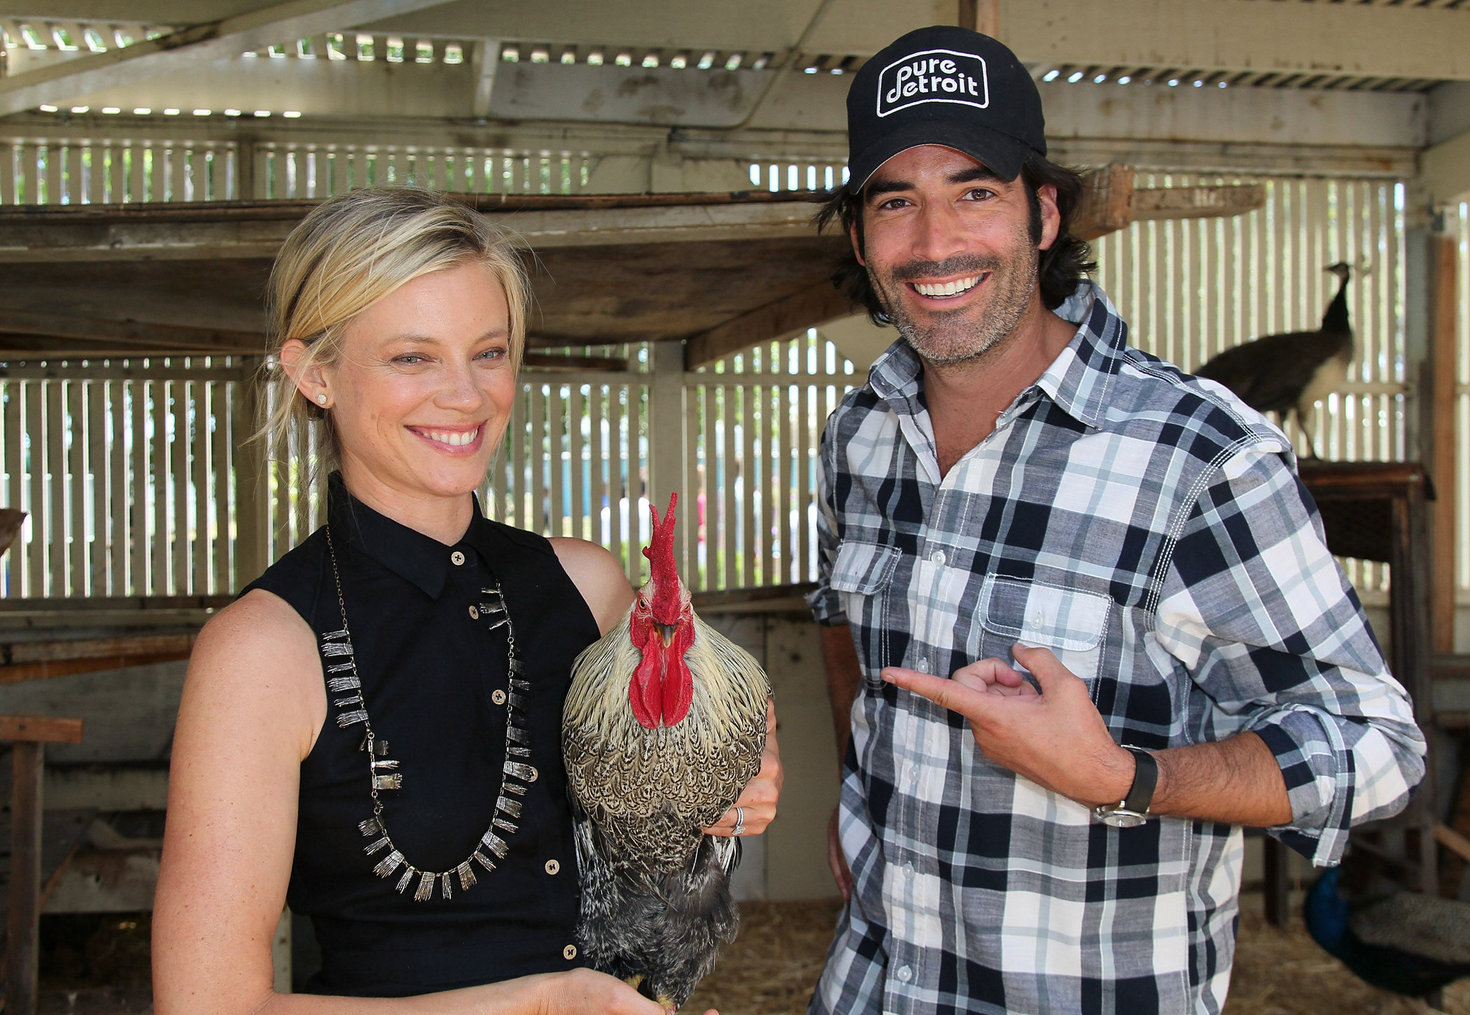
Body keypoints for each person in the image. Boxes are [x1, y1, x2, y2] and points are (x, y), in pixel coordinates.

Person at [806, 25, 1426, 1015]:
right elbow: (841, 624)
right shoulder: (860, 438)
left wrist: (1123, 774)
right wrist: (856, 795)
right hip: (875, 989)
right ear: (860, 238)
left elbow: (1376, 745)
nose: (933, 244)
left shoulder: (1197, 456)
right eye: (895, 202)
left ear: (1044, 214)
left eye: (976, 192)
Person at [152, 187, 781, 1014]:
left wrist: (748, 767)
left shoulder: (585, 586)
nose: (467, 394)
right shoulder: (263, 648)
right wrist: (539, 1003)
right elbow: (205, 1005)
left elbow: (715, 731)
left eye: (488, 352)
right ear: (316, 375)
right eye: (414, 357)